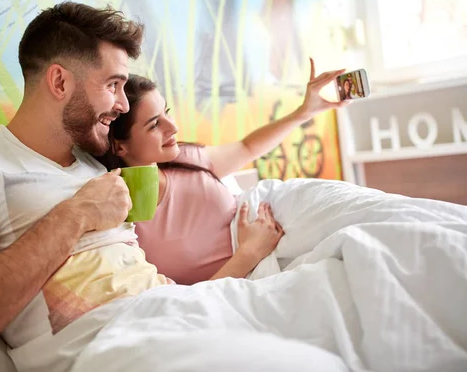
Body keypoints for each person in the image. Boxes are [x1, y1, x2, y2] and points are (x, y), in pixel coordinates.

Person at [0, 2, 173, 360]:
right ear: (59, 81)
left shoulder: (94, 164)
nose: (123, 104)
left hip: (176, 312)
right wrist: (77, 214)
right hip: (130, 348)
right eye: (113, 85)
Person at [96, 61, 350, 285]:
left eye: (167, 113)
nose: (172, 126)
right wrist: (249, 253)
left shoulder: (183, 159)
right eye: (154, 124)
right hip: (249, 269)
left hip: (275, 221)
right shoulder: (124, 221)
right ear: (120, 145)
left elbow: (247, 146)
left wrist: (306, 111)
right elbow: (177, 301)